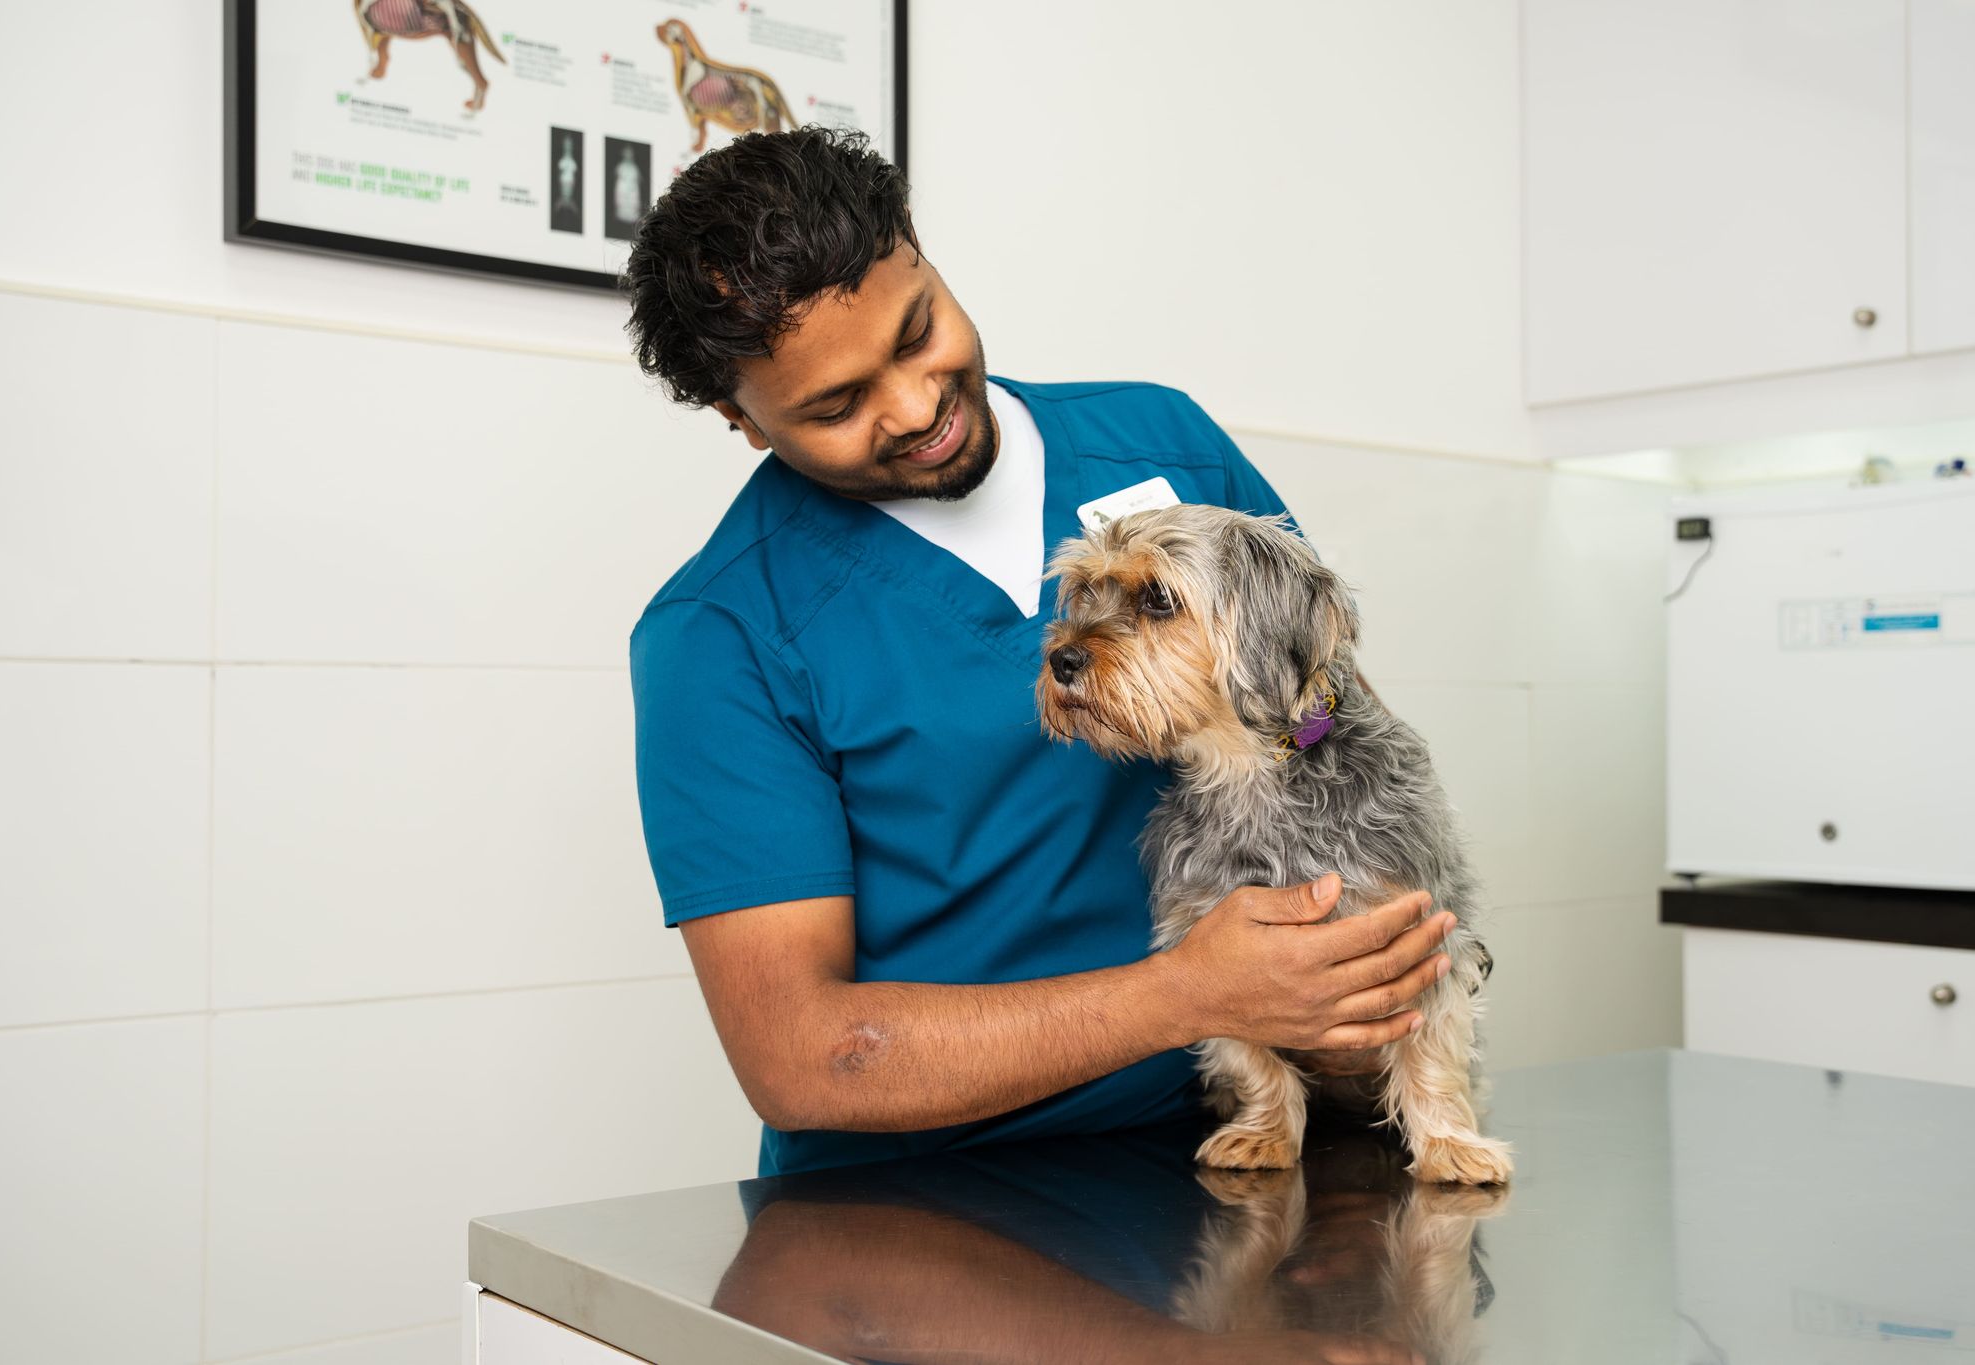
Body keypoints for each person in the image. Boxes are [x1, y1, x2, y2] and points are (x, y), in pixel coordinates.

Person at [624, 127, 1456, 1177]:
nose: (915, 408)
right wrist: (1188, 994)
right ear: (737, 418)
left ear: (919, 250)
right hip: (917, 1205)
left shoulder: (1163, 442)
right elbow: (803, 1058)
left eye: (916, 332)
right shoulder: (721, 634)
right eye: (836, 406)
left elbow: (1324, 722)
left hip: (1239, 1148)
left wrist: (1407, 967)